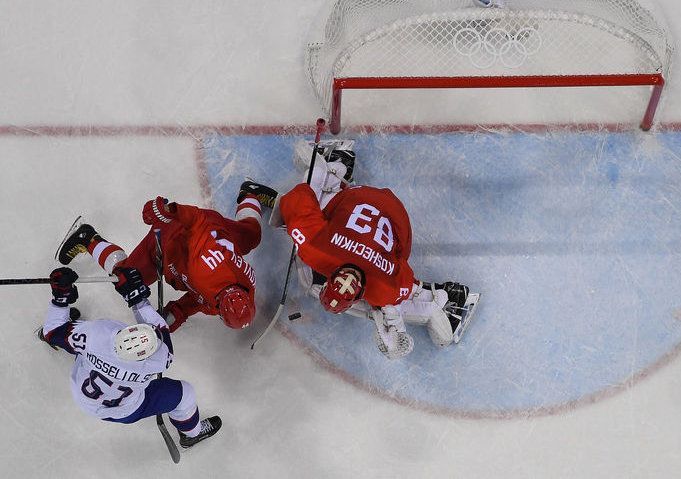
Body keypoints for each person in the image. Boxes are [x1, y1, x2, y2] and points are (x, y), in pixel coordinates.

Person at [265, 139, 480, 360]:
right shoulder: (315, 249)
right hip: (369, 199)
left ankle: (449, 300)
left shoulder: (382, 287)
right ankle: (335, 161)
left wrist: (384, 308)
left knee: (320, 283)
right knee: (319, 221)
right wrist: (292, 221)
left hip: (395, 217)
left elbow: (406, 279)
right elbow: (300, 195)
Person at [38, 265, 221, 448]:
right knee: (186, 394)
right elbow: (161, 328)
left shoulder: (97, 335)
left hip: (83, 397)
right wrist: (137, 298)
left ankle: (66, 335)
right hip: (126, 411)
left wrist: (61, 299)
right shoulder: (158, 360)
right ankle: (192, 434)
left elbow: (52, 331)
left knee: (67, 336)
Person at [55, 185, 276, 332]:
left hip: (215, 230)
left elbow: (198, 300)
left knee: (251, 235)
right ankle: (87, 238)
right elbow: (197, 220)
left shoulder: (241, 290)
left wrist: (175, 314)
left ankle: (250, 192)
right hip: (172, 236)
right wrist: (170, 211)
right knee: (127, 277)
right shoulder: (205, 268)